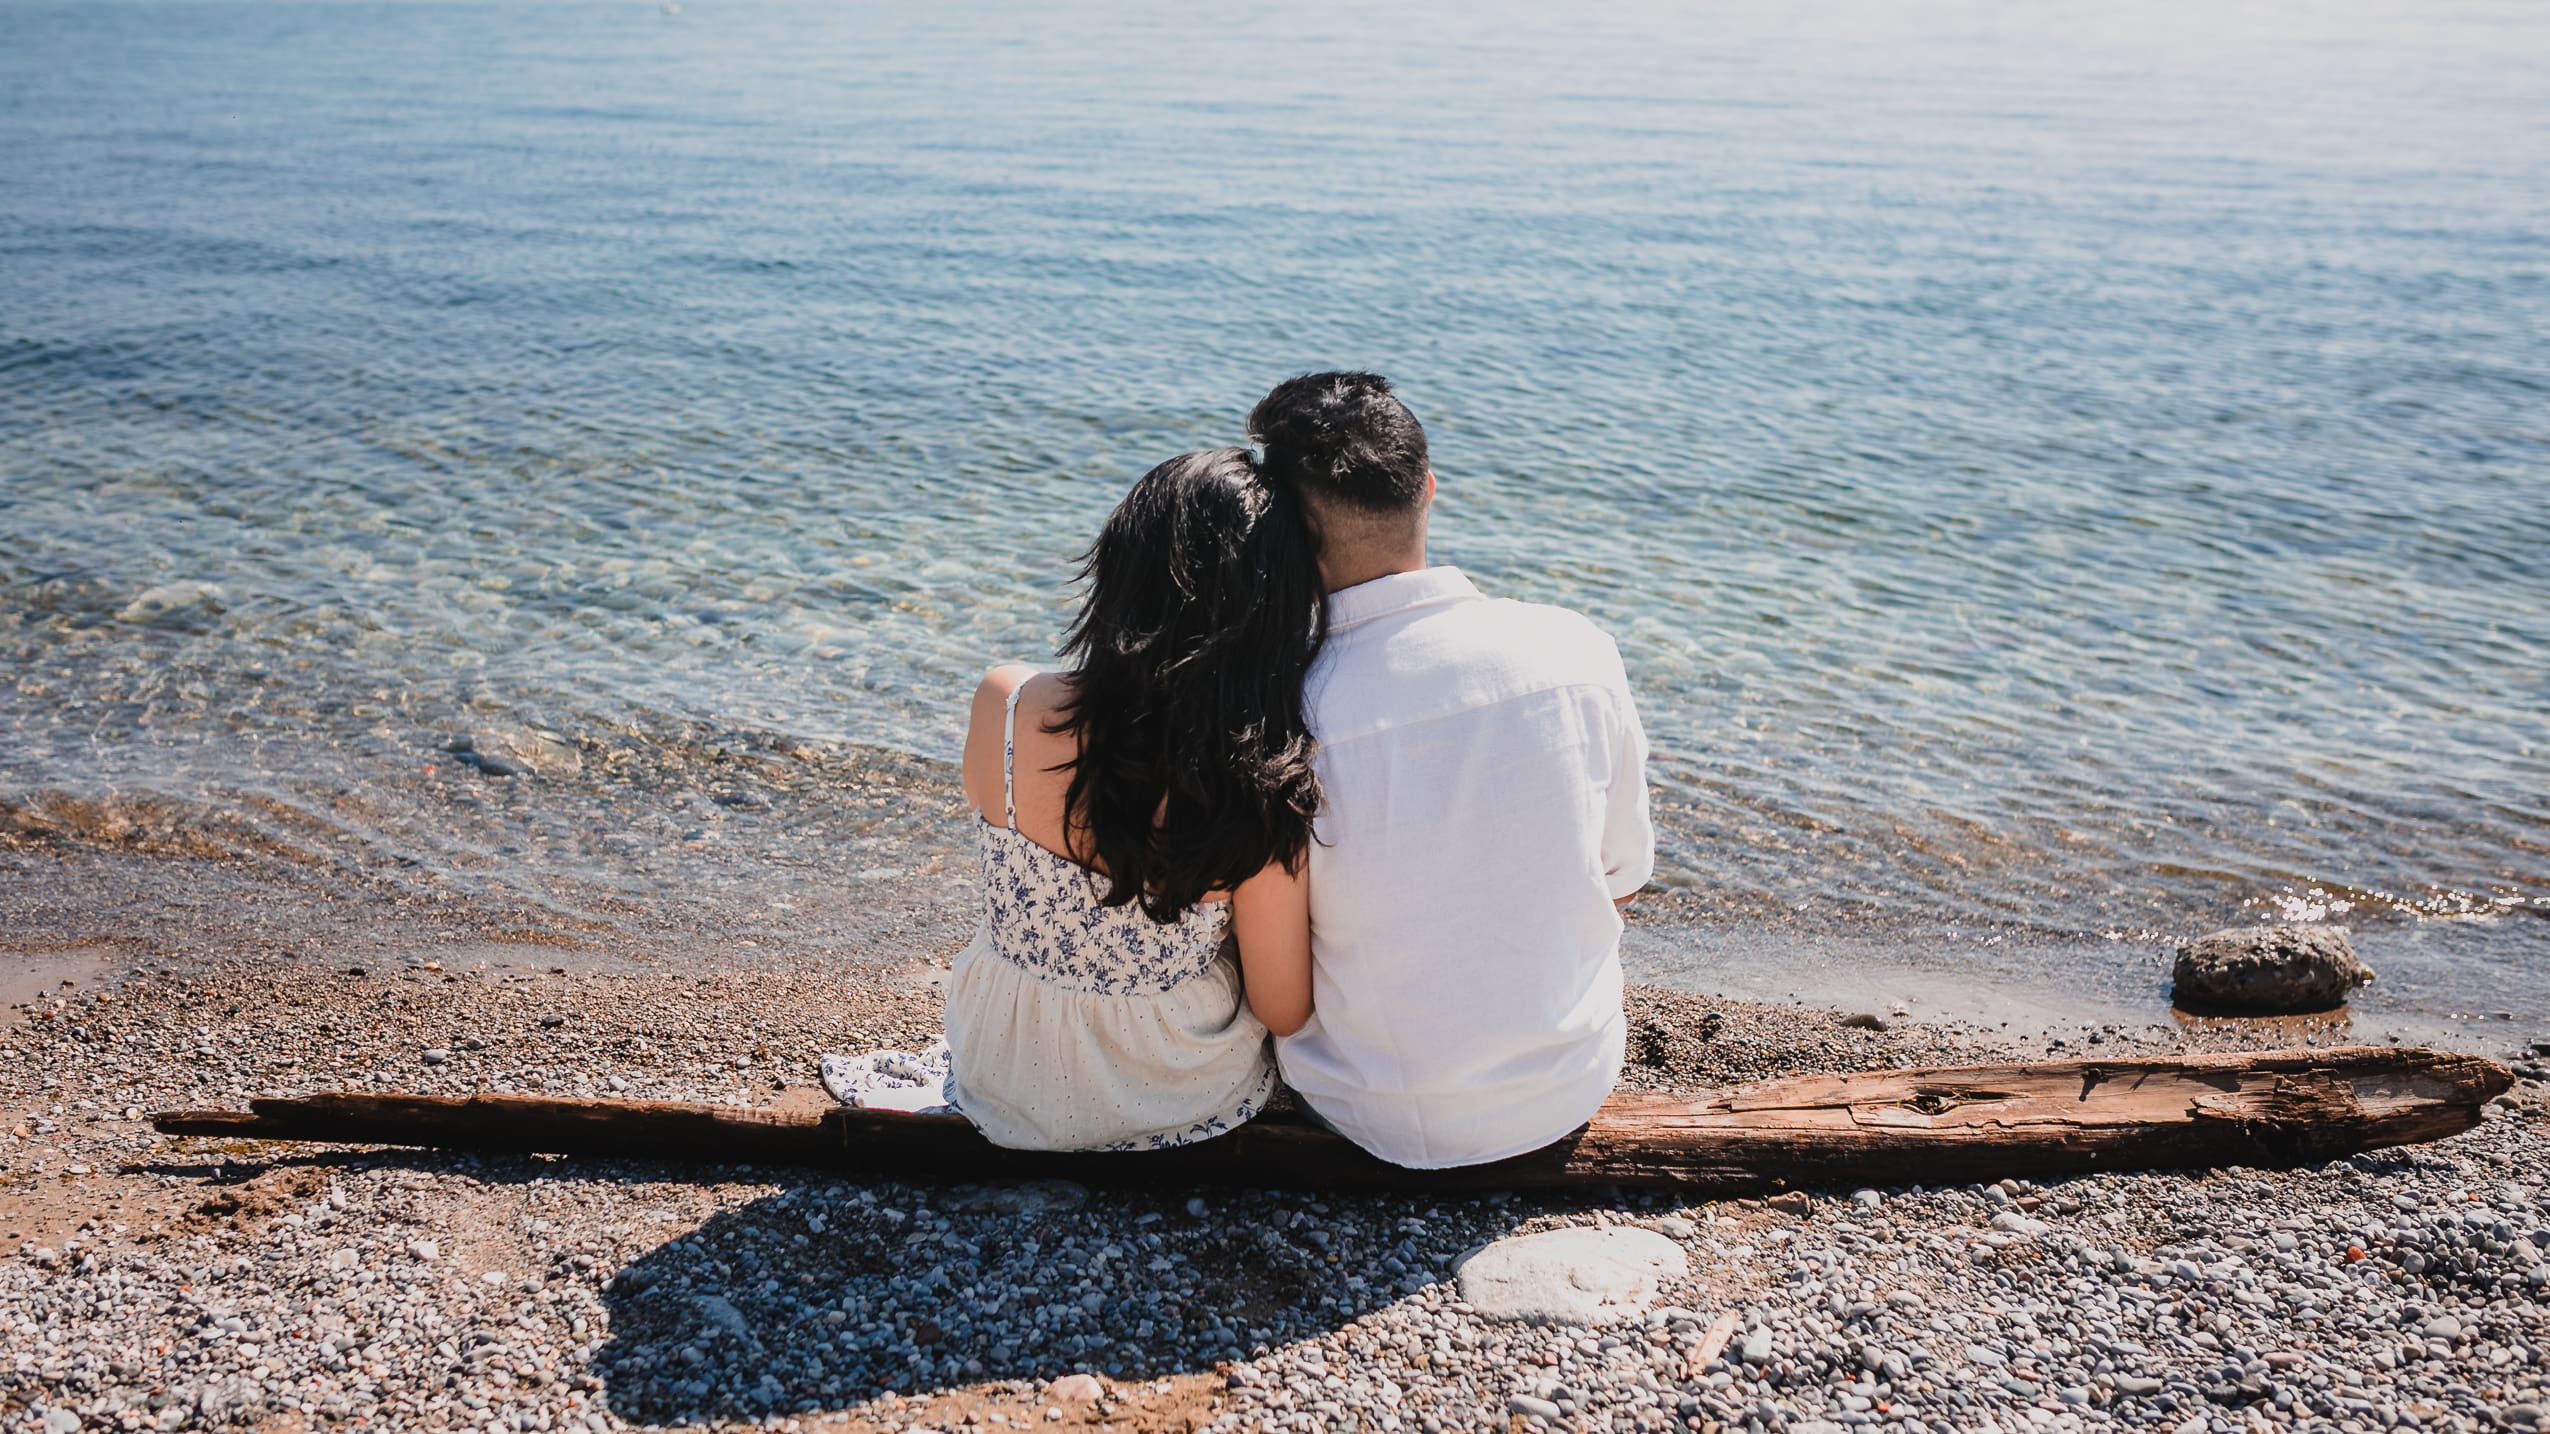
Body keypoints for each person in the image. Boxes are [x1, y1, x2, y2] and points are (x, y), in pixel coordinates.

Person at [1249, 372, 1654, 1169]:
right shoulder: (1577, 649)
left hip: (1364, 1108)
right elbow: (1625, 878)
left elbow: (1281, 993)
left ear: (1287, 529)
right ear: (1428, 489)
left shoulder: (1283, 706)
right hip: (1565, 1086)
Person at [937, 448, 1325, 1150]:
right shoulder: (1258, 782)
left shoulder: (1006, 702)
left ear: (1118, 565)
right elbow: (1284, 1008)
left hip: (1001, 1067)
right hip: (1169, 1091)